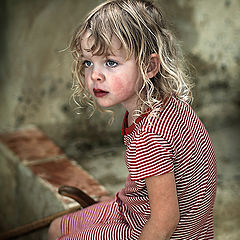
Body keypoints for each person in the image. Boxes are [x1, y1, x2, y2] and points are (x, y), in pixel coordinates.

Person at [48, 0, 217, 239]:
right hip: (148, 212)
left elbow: (165, 220)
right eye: (88, 62)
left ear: (149, 65)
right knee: (57, 227)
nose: (95, 75)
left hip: (152, 229)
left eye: (110, 63)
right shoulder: (169, 104)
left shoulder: (150, 135)